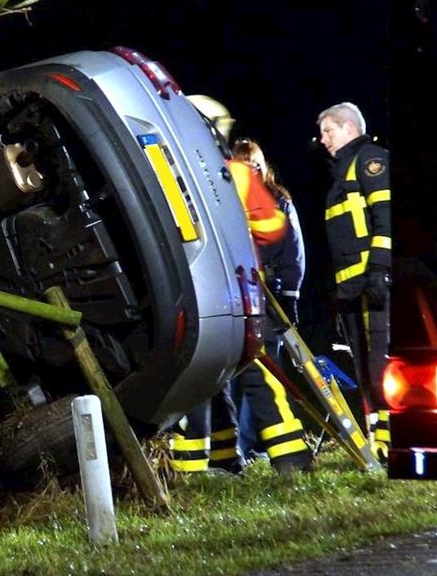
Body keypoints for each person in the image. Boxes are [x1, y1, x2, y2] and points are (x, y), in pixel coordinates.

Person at [167, 96, 291, 475]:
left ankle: (197, 466)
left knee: (201, 373)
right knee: (251, 375)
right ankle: (283, 457)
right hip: (241, 291)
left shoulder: (169, 171)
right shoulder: (235, 173)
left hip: (196, 292)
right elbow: (273, 227)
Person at [229, 139, 313, 473]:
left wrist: (290, 295)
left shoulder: (278, 201)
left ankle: (253, 444)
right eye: (242, 163)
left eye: (254, 163)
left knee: (266, 371)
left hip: (270, 297)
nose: (249, 170)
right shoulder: (225, 202)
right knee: (232, 375)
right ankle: (237, 445)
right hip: (234, 298)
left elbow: (294, 252)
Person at [317, 102, 392, 461]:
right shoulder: (341, 174)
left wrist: (379, 269)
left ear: (349, 128)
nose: (323, 139)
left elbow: (385, 218)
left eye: (328, 131)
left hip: (372, 284)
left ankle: (392, 440)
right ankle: (377, 442)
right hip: (352, 289)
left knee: (380, 364)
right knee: (364, 367)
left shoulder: (370, 160)